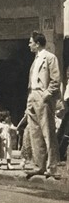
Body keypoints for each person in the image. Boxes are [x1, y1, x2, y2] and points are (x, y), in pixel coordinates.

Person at [25, 31, 61, 179]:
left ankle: (52, 167)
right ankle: (39, 165)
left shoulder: (49, 58)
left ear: (37, 43)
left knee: (48, 132)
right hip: (32, 96)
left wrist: (47, 94)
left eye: (30, 42)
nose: (29, 44)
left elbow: (55, 80)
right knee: (35, 132)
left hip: (42, 96)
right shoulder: (35, 59)